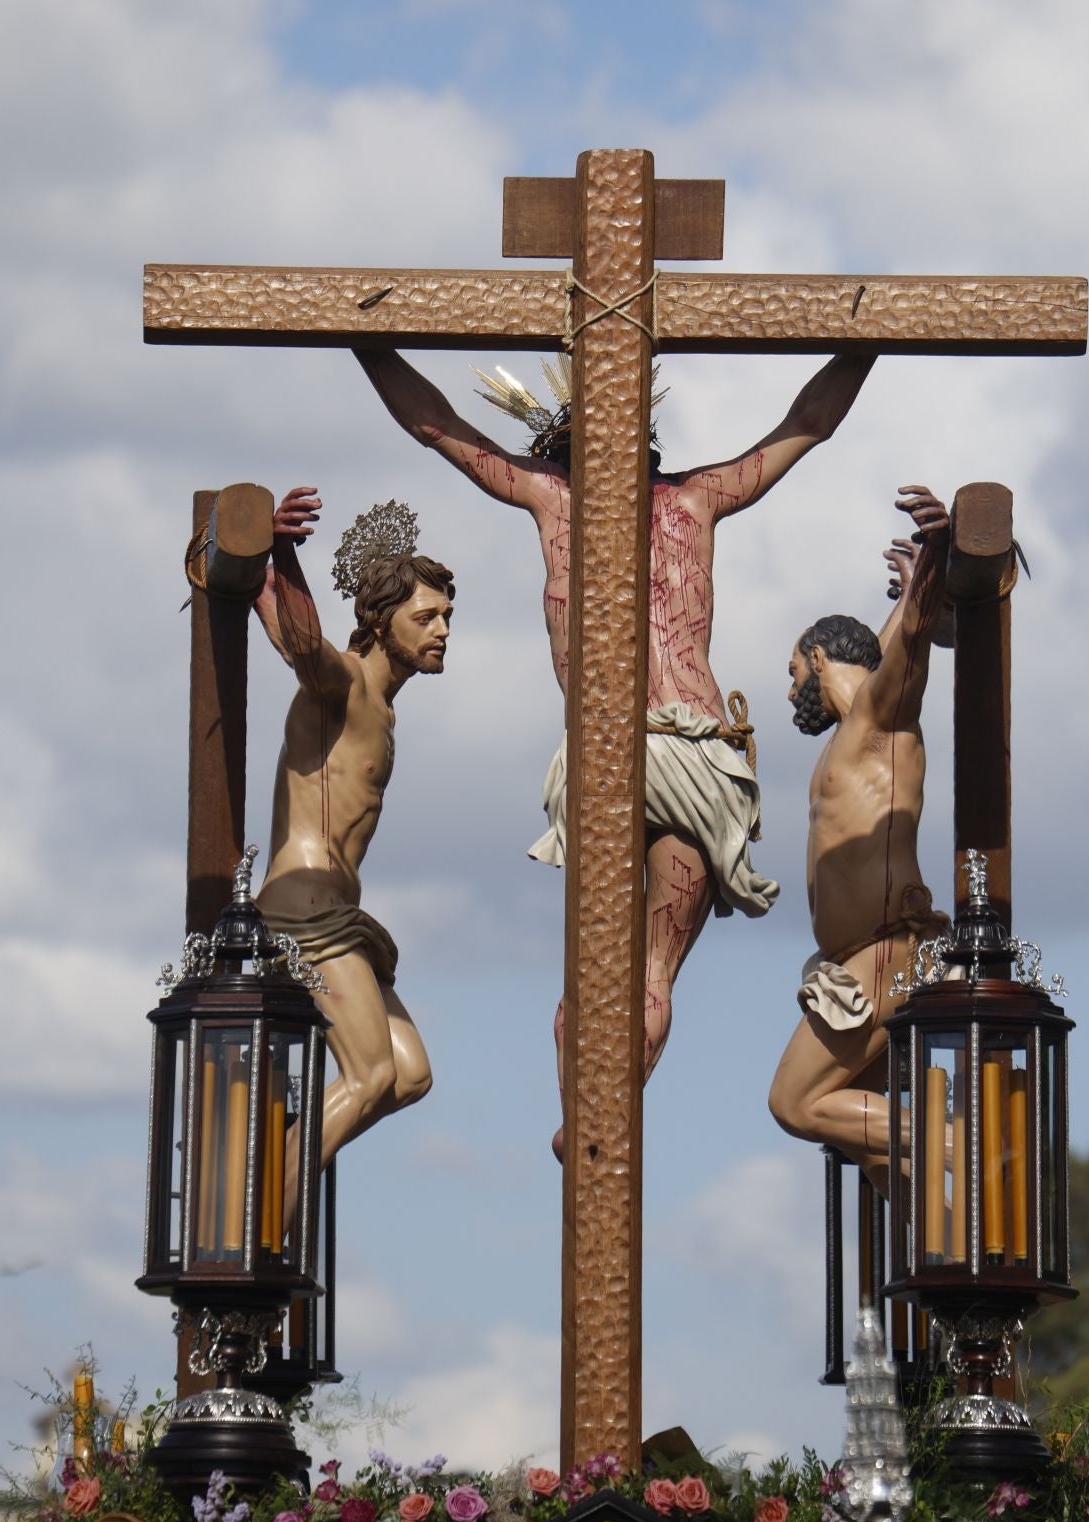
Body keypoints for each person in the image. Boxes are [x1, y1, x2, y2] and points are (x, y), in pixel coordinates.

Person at [356, 347, 874, 1156]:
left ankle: (584, 1120)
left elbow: (437, 427)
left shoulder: (550, 495)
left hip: (607, 748)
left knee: (592, 973)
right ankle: (605, 1117)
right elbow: (809, 424)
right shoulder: (697, 500)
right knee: (654, 971)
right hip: (696, 749)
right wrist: (866, 339)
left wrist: (366, 345)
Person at [250, 487, 454, 1189]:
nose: (442, 630)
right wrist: (279, 550)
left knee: (410, 1074)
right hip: (300, 902)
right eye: (425, 617)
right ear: (380, 619)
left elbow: (278, 621)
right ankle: (265, 1207)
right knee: (369, 1074)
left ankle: (290, 1156)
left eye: (447, 618)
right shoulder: (343, 685)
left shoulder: (381, 709)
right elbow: (304, 644)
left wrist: (266, 580)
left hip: (339, 911)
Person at [768, 485, 951, 1194]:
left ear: (818, 657)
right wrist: (910, 593)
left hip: (883, 954)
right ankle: (937, 1264)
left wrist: (937, 553)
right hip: (854, 957)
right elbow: (899, 629)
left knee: (796, 1102)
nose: (789, 695)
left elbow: (909, 646)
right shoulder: (853, 737)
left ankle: (960, 1139)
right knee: (880, 1163)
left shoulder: (880, 721)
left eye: (792, 674)